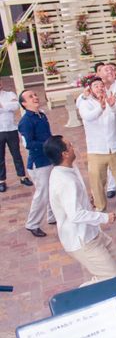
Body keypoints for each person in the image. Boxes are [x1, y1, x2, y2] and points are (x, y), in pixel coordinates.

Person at [43, 135, 116, 287]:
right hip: (82, 240)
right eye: (70, 145)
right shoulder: (65, 181)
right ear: (64, 154)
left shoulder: (66, 169)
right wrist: (104, 218)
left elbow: (73, 203)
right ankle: (81, 297)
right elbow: (75, 214)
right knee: (109, 275)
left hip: (91, 232)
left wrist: (86, 200)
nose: (73, 147)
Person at [77, 77, 116, 213]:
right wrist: (101, 107)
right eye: (96, 86)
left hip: (115, 148)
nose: (100, 88)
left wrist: (111, 105)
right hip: (96, 150)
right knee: (97, 183)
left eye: (101, 85)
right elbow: (88, 117)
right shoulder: (85, 103)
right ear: (90, 89)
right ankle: (100, 208)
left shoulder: (110, 100)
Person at [18, 90, 55, 237]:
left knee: (52, 189)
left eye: (35, 95)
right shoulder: (25, 121)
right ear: (24, 103)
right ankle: (32, 223)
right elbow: (29, 144)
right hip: (38, 163)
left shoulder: (41, 115)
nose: (35, 97)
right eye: (30, 96)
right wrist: (48, 144)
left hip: (49, 158)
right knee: (42, 193)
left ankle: (52, 217)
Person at [0, 79, 31, 193]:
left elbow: (16, 105)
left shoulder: (9, 94)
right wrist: (6, 107)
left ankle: (22, 176)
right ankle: (1, 180)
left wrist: (2, 106)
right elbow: (10, 106)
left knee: (16, 154)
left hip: (11, 129)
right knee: (0, 157)